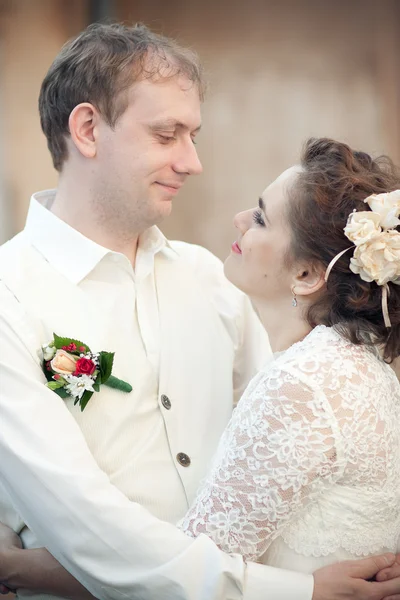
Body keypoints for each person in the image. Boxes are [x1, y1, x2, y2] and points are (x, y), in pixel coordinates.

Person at [0, 22, 399, 600]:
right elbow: (84, 523)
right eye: (167, 135)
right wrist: (290, 591)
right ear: (87, 129)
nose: (193, 162)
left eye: (194, 136)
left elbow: (278, 459)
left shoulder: (211, 278)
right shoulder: (9, 295)